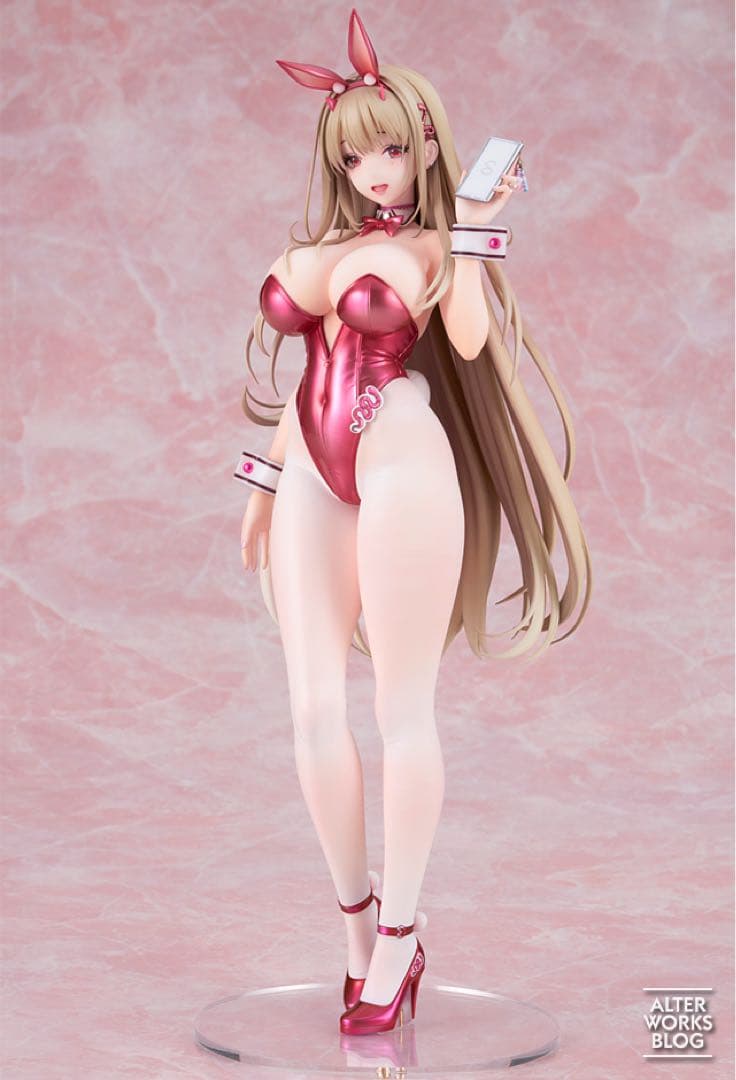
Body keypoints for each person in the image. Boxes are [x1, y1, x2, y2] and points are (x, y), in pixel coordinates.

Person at [236, 9, 591, 1036]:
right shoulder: (323, 246)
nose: (373, 172)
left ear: (425, 145)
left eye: (389, 149)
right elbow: (296, 371)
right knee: (312, 714)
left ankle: (401, 934)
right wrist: (262, 483)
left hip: (400, 461)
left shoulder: (437, 246)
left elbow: (470, 340)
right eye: (354, 156)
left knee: (401, 712)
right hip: (310, 475)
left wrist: (473, 224)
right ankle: (357, 926)